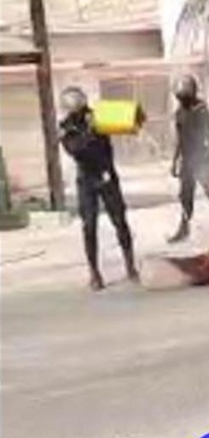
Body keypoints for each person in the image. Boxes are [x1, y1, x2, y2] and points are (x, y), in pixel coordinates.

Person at [58, 86, 139, 291]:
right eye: (78, 110)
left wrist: (129, 118)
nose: (82, 112)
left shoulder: (98, 116)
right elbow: (76, 150)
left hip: (107, 174)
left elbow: (132, 119)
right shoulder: (66, 129)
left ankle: (130, 265)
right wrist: (92, 131)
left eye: (83, 108)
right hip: (86, 180)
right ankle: (94, 272)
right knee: (89, 226)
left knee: (120, 221)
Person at [168, 74, 209, 244]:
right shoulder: (179, 112)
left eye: (184, 94)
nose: (182, 98)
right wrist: (175, 161)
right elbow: (180, 139)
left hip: (202, 159)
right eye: (180, 95)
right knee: (185, 195)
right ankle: (184, 228)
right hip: (187, 160)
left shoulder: (201, 110)